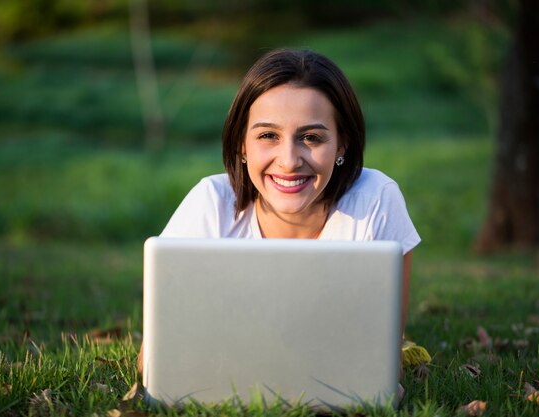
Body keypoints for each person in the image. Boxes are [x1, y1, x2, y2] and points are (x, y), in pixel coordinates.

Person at [137, 48, 420, 375]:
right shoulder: (210, 204)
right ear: (242, 143)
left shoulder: (376, 201)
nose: (288, 160)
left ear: (342, 144)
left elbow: (385, 364)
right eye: (268, 135)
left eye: (311, 137)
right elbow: (153, 362)